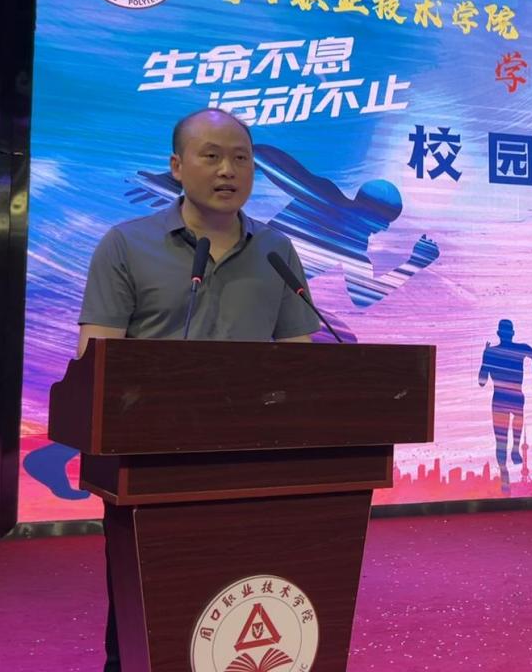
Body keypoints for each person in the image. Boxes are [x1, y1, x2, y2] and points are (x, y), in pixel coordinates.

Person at [77, 108, 320, 672]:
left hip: (252, 463)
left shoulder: (277, 251)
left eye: (241, 158)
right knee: (144, 617)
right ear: (177, 166)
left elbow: (302, 364)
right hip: (149, 463)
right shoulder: (126, 245)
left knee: (240, 604)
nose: (227, 170)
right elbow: (96, 362)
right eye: (211, 156)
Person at [478, 319, 532, 494]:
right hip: (512, 396)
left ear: (499, 334)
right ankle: (513, 452)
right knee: (509, 429)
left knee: (501, 439)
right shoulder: (518, 349)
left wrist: (485, 358)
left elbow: (482, 381)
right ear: (512, 333)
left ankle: (508, 460)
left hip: (501, 397)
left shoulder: (493, 352)